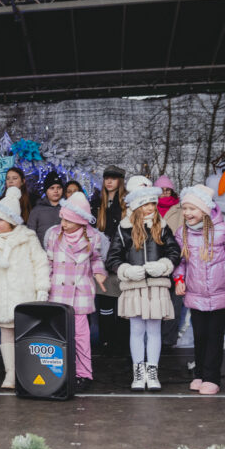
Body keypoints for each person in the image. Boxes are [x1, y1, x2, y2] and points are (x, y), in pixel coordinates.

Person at [106, 176, 180, 391]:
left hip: (156, 286)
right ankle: (138, 372)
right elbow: (113, 257)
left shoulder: (162, 227)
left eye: (152, 204)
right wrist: (126, 270)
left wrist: (164, 265)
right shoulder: (124, 228)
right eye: (146, 204)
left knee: (154, 329)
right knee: (137, 329)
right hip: (134, 286)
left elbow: (174, 251)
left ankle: (152, 371)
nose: (150, 208)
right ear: (137, 206)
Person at [172, 185, 225, 395]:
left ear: (204, 210)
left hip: (220, 292)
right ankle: (200, 374)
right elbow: (181, 262)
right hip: (195, 293)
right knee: (200, 335)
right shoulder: (181, 232)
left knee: (215, 336)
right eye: (184, 209)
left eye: (192, 209)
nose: (187, 213)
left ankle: (212, 378)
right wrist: (179, 279)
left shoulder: (223, 230)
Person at [0, 187, 51, 389]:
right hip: (2, 297)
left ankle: (27, 372)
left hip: (24, 296)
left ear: (11, 220)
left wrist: (42, 288)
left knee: (26, 334)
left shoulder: (27, 238)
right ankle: (10, 373)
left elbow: (40, 263)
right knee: (6, 334)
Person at [44, 191, 107, 392]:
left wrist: (98, 272)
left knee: (81, 335)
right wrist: (43, 285)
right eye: (62, 218)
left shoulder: (93, 237)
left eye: (68, 221)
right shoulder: (54, 234)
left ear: (80, 221)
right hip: (58, 292)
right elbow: (48, 261)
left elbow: (96, 259)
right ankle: (59, 372)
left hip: (80, 293)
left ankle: (84, 373)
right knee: (58, 334)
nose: (64, 223)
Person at [92, 165, 128, 356]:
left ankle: (122, 342)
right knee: (105, 303)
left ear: (120, 181)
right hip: (102, 260)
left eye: (113, 178)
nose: (109, 181)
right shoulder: (97, 203)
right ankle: (107, 341)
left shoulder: (125, 204)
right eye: (107, 178)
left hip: (121, 260)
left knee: (123, 305)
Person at [155, 174, 184, 347]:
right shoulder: (151, 207)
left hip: (176, 259)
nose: (165, 193)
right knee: (157, 300)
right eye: (161, 190)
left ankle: (169, 339)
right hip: (156, 260)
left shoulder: (180, 209)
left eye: (168, 190)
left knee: (174, 303)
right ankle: (154, 337)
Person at [27, 172, 64, 239]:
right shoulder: (37, 210)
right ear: (46, 191)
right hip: (41, 248)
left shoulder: (67, 208)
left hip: (64, 248)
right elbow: (30, 234)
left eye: (59, 187)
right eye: (52, 188)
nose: (56, 191)